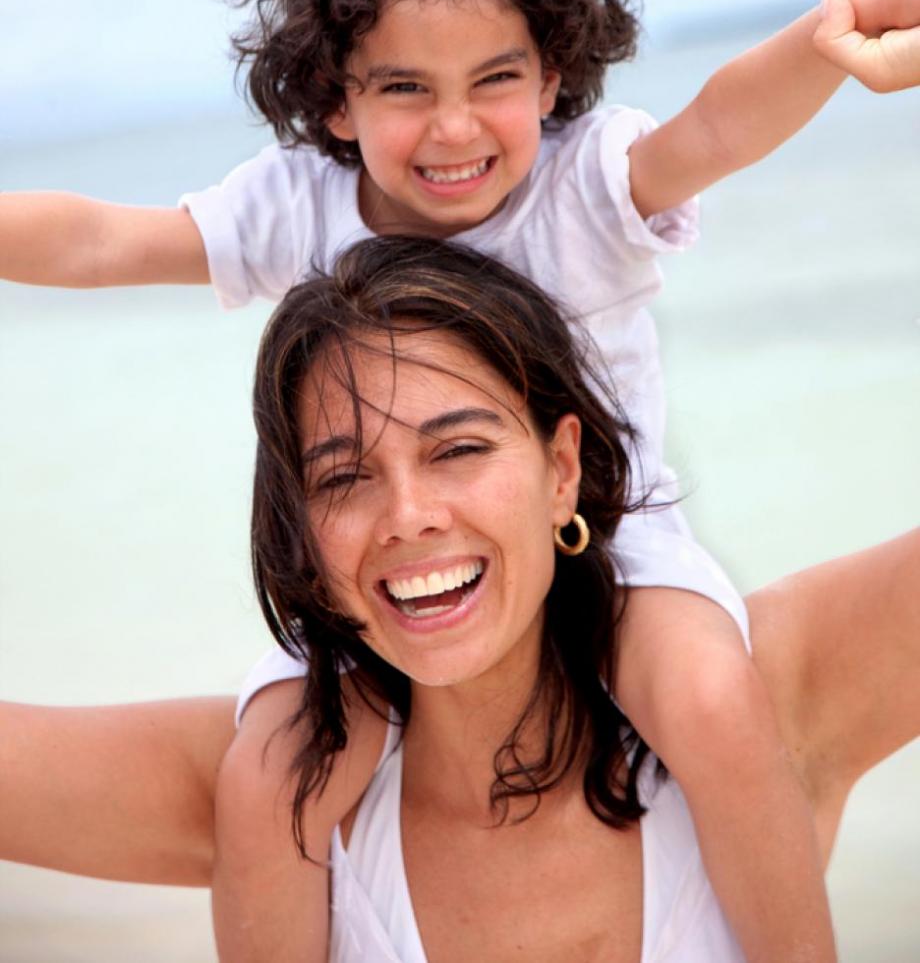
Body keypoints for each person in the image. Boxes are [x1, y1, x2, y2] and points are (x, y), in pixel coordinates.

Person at [1, 0, 919, 962]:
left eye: (495, 79)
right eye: (404, 87)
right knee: (272, 771)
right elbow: (101, 240)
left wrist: (842, 33)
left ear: (550, 76)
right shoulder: (301, 206)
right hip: (380, 590)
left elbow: (720, 123)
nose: (452, 127)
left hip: (617, 552)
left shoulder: (581, 187)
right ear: (337, 100)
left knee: (713, 701)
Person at [1, 237, 918, 963]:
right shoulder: (282, 785)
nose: (408, 516)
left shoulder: (754, 697)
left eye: (459, 449)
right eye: (343, 477)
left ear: (562, 469)